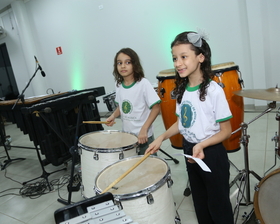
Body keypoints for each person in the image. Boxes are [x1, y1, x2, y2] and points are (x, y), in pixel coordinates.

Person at [145, 31, 234, 224]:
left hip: (211, 153)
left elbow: (226, 131)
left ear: (200, 57)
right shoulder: (182, 91)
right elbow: (181, 123)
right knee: (200, 203)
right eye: (175, 58)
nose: (177, 63)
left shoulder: (214, 91)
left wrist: (202, 145)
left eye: (184, 57)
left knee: (218, 206)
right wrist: (161, 137)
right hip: (191, 151)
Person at [106, 48, 161, 155]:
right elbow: (121, 107)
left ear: (135, 64)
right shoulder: (118, 85)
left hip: (143, 135)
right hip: (127, 136)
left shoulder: (143, 83)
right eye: (119, 63)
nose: (123, 66)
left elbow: (156, 107)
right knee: (133, 167)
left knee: (149, 167)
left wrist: (144, 129)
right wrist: (113, 116)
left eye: (128, 62)